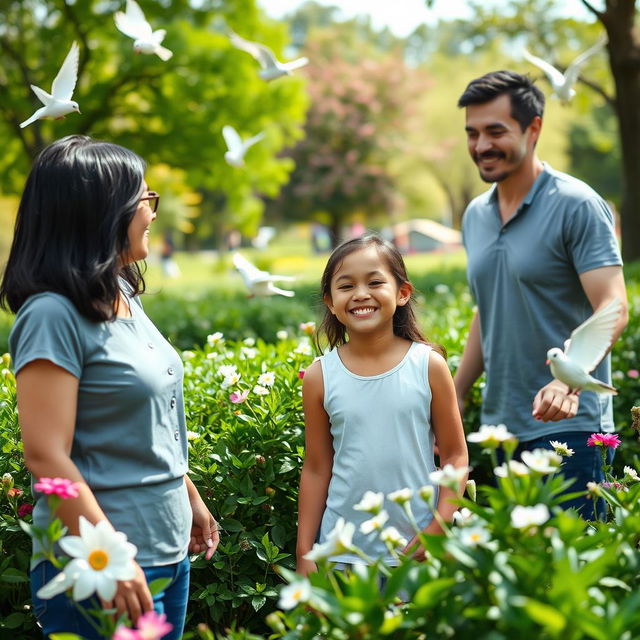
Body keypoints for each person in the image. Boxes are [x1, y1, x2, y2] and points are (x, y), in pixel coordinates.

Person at [0, 135, 219, 638]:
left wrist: (189, 497)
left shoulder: (117, 291)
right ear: (102, 210)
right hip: (98, 565)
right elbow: (45, 456)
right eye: (145, 199)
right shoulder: (51, 314)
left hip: (164, 553)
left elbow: (146, 420)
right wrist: (110, 557)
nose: (153, 212)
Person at [453, 71, 628, 517]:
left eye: (496, 131)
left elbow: (614, 305)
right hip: (500, 432)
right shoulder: (476, 215)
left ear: (533, 129)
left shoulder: (576, 205)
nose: (481, 145)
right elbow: (487, 308)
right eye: (473, 133)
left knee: (571, 579)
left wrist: (565, 379)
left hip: (571, 428)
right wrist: (455, 395)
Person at [296, 235, 468, 575]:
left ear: (402, 293)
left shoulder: (428, 365)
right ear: (330, 302)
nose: (361, 294)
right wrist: (305, 551)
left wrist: (440, 522)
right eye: (346, 286)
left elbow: (454, 455)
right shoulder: (320, 377)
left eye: (375, 282)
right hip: (342, 552)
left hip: (416, 549)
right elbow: (317, 468)